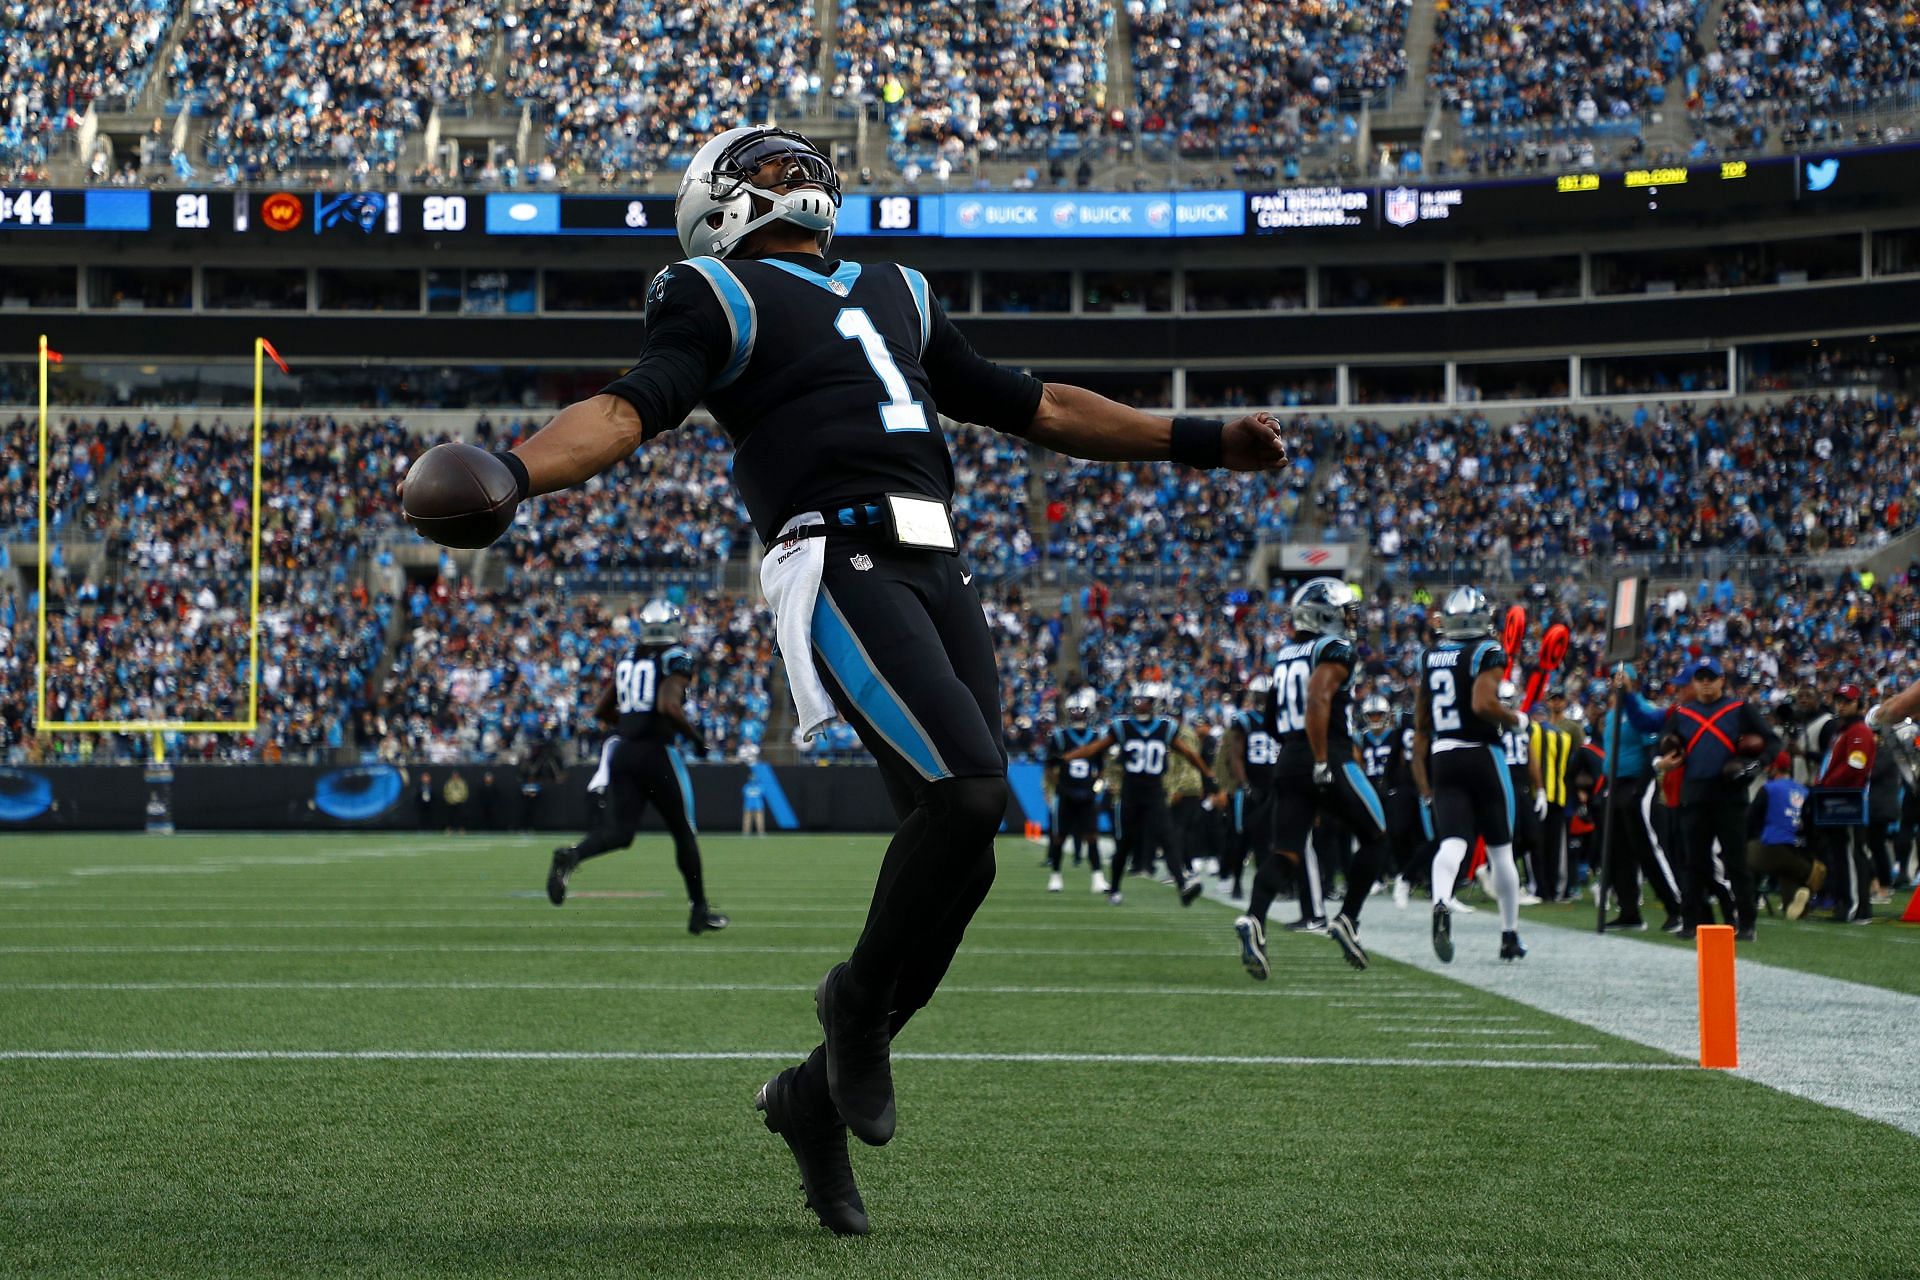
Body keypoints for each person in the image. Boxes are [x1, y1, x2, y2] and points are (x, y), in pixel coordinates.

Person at [403, 126, 1287, 1237]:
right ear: (716, 199)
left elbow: (1034, 405)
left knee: (966, 854)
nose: (795, 176)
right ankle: (854, 1005)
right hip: (837, 554)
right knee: (968, 788)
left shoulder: (899, 285)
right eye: (765, 167)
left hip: (937, 567)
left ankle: (812, 1098)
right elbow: (631, 408)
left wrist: (1198, 439)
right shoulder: (712, 290)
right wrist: (517, 469)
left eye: (800, 162)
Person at [545, 599, 727, 933]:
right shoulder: (676, 657)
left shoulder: (629, 657)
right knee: (683, 831)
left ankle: (571, 856)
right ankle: (699, 910)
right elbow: (669, 706)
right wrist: (697, 738)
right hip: (655, 752)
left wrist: (632, 723)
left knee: (619, 834)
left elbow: (601, 711)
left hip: (624, 751)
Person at [1238, 578, 1389, 977]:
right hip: (1328, 753)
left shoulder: (1287, 654)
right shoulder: (1334, 648)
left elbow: (1270, 718)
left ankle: (1254, 918)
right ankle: (1348, 919)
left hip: (1288, 757)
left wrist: (1297, 753)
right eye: (1345, 610)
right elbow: (1320, 698)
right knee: (1377, 836)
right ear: (1325, 613)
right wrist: (1321, 757)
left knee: (1286, 853)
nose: (1350, 618)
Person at [1414, 586, 1528, 963]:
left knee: (1453, 843)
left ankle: (1443, 899)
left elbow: (1422, 721)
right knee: (1500, 850)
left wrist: (1422, 772)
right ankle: (1509, 935)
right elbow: (1482, 704)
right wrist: (1515, 719)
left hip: (1443, 754)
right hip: (1482, 754)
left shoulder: (1431, 656)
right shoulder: (1487, 651)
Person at [1648, 657, 1780, 940]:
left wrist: (1753, 766)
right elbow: (1660, 744)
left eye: (1711, 677)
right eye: (1700, 678)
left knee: (1736, 860)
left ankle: (1746, 924)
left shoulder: (1739, 708)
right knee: (1693, 862)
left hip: (1729, 793)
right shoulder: (1683, 713)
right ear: (1694, 682)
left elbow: (1771, 742)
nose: (1705, 682)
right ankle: (1690, 922)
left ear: (1722, 680)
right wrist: (1663, 761)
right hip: (1694, 793)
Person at [1065, 681, 1219, 906]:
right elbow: (1097, 747)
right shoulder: (1124, 727)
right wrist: (1069, 757)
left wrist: (1207, 773)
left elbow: (1188, 753)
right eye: (1137, 700)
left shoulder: (1165, 728)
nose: (1139, 705)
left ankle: (1182, 885)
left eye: (1144, 701)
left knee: (1168, 838)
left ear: (1155, 703)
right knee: (1125, 843)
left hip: (1155, 791)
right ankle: (1115, 888)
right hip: (1132, 792)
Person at [1604, 664, 1687, 932]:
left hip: (1637, 783)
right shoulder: (1610, 715)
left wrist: (1652, 771)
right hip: (1615, 784)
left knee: (1647, 847)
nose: (1617, 682)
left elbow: (1653, 745)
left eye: (1622, 677)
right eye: (1614, 677)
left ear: (1633, 682)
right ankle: (1629, 911)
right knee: (1618, 851)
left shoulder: (1642, 709)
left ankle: (1677, 907)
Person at [1813, 683, 1876, 923]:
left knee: (1850, 853)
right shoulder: (1844, 730)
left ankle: (1855, 907)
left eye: (1847, 701)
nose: (1841, 705)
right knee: (1844, 853)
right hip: (1839, 799)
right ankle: (1849, 904)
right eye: (1839, 701)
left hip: (1847, 800)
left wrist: (1825, 785)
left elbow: (1855, 766)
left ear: (1859, 705)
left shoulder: (1858, 731)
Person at [1359, 691, 1426, 908]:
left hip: (1393, 791)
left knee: (1401, 835)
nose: (1376, 719)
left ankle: (1403, 875)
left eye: (1379, 715)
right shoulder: (1362, 738)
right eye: (1372, 715)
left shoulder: (1395, 735)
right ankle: (1380, 876)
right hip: (1372, 789)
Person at [1218, 675, 1278, 904]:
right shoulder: (1244, 720)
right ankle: (1236, 881)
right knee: (1241, 836)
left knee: (1268, 839)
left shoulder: (1281, 718)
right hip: (1250, 785)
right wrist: (1244, 783)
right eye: (1260, 695)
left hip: (1272, 783)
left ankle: (1264, 886)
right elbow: (1236, 756)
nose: (1263, 698)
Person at [1044, 688, 1108, 893]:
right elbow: (1049, 767)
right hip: (1066, 793)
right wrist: (1059, 786)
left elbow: (1102, 767)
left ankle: (1097, 878)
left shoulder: (1095, 736)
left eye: (1081, 710)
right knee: (1059, 837)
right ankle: (1055, 875)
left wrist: (1096, 787)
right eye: (1074, 710)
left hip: (1087, 794)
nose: (1077, 714)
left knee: (1092, 837)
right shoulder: (1060, 736)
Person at [1748, 752, 1814, 921]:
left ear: (1774, 767)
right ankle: (1796, 903)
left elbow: (1751, 820)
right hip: (1800, 854)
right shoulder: (1804, 791)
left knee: (1744, 856)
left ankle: (1748, 901)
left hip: (1771, 849)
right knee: (1789, 873)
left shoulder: (1769, 789)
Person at [1497, 680, 1546, 906]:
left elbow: (1531, 757)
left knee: (1532, 836)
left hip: (1522, 786)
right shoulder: (1490, 722)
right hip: (1502, 785)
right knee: (1510, 837)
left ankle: (1534, 886)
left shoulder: (1523, 723)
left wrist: (1541, 789)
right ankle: (1510, 886)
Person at [1530, 692, 1577, 902]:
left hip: (1539, 794)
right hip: (1557, 793)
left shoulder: (1570, 730)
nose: (1556, 702)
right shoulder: (1563, 735)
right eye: (1552, 699)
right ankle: (1552, 889)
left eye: (1560, 698)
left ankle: (1542, 888)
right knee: (1552, 846)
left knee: (1540, 844)